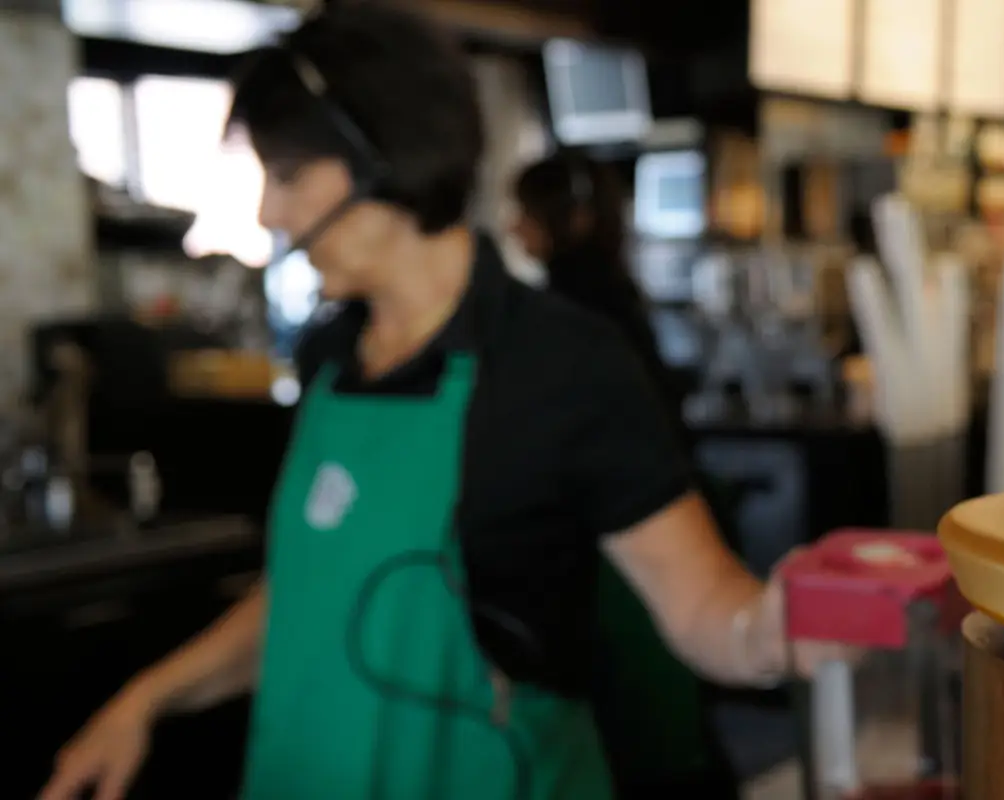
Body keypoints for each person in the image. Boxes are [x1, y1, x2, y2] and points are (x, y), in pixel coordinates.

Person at [41, 5, 798, 800]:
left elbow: (708, 608)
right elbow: (306, 601)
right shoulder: (330, 357)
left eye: (288, 175)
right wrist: (144, 701)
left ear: (385, 160)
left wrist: (795, 624)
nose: (269, 212)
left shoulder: (559, 365)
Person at [511, 153, 737, 799]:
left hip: (612, 549)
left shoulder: (559, 320)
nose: (513, 227)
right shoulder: (614, 296)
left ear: (567, 220)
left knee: (636, 730)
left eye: (525, 213)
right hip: (652, 520)